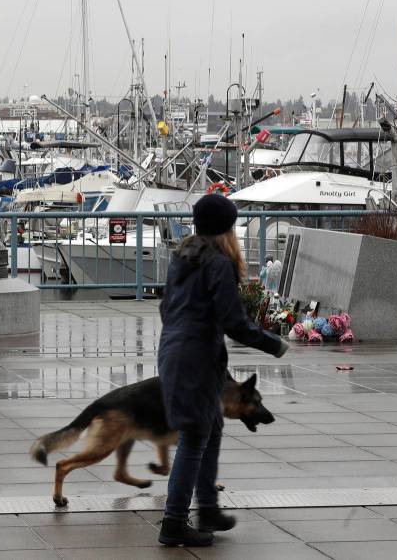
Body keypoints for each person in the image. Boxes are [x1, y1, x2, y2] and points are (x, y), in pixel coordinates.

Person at [157, 194, 288, 547]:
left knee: (211, 427)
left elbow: (165, 307)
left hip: (176, 353)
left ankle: (208, 508)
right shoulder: (219, 264)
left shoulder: (181, 257)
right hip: (196, 359)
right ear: (226, 230)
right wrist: (273, 344)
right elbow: (234, 321)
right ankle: (173, 522)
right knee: (194, 437)